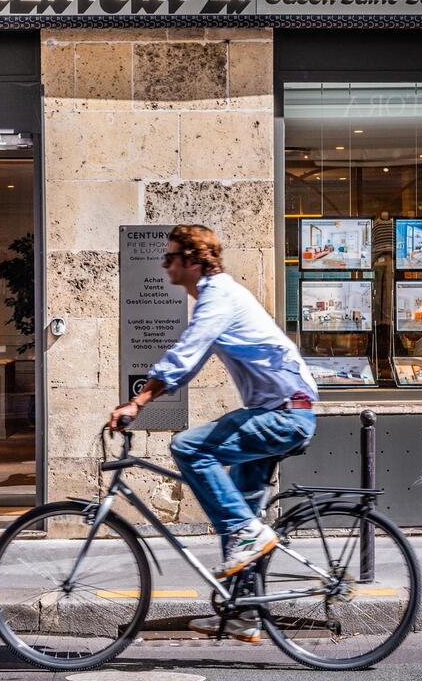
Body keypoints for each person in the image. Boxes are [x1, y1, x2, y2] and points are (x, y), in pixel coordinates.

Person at [109, 224, 318, 643]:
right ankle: (242, 613)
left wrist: (138, 402)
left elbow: (185, 356)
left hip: (284, 414)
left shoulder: (218, 295)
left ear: (192, 260)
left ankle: (248, 535)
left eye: (170, 257)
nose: (164, 264)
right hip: (277, 410)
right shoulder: (215, 296)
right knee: (240, 508)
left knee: (188, 447)